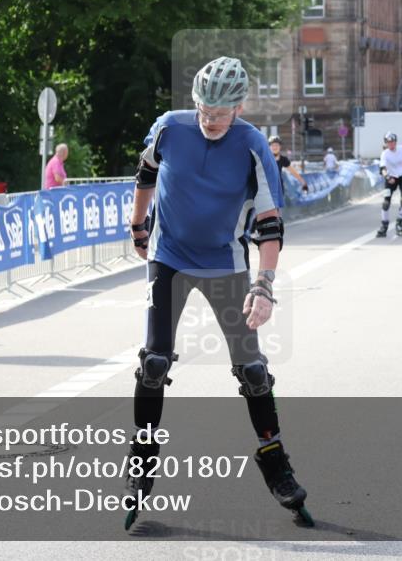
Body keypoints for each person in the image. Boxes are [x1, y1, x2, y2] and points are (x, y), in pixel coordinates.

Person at [126, 56, 311, 528]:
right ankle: (142, 458)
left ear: (240, 107)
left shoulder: (251, 145)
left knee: (251, 369)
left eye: (220, 113)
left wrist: (264, 287)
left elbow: (269, 225)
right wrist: (137, 224)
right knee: (154, 363)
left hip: (224, 262)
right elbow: (146, 172)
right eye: (204, 110)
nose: (210, 120)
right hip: (168, 256)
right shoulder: (170, 128)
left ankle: (276, 462)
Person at [376, 132, 402, 237]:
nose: (390, 144)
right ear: (386, 143)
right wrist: (387, 177)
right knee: (386, 202)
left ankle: (399, 222)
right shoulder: (385, 153)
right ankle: (384, 226)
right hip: (390, 177)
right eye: (388, 142)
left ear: (396, 142)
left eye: (392, 142)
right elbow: (383, 168)